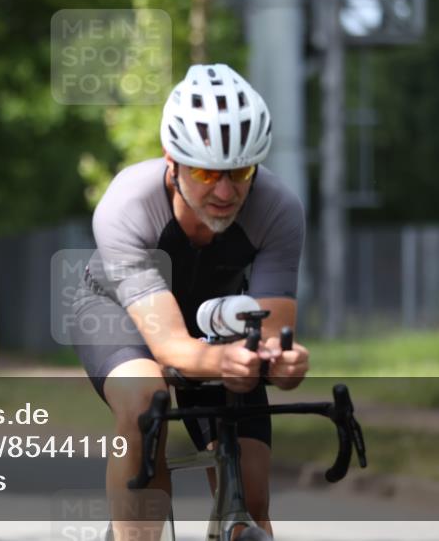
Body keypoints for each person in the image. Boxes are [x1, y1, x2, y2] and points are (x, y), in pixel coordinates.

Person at [71, 64, 310, 540]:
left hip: (215, 316)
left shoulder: (279, 209)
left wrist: (280, 362)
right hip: (121, 314)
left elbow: (270, 333)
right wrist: (224, 359)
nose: (225, 192)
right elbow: (169, 346)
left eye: (240, 172)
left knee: (253, 493)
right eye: (205, 172)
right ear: (171, 160)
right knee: (146, 402)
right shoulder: (127, 205)